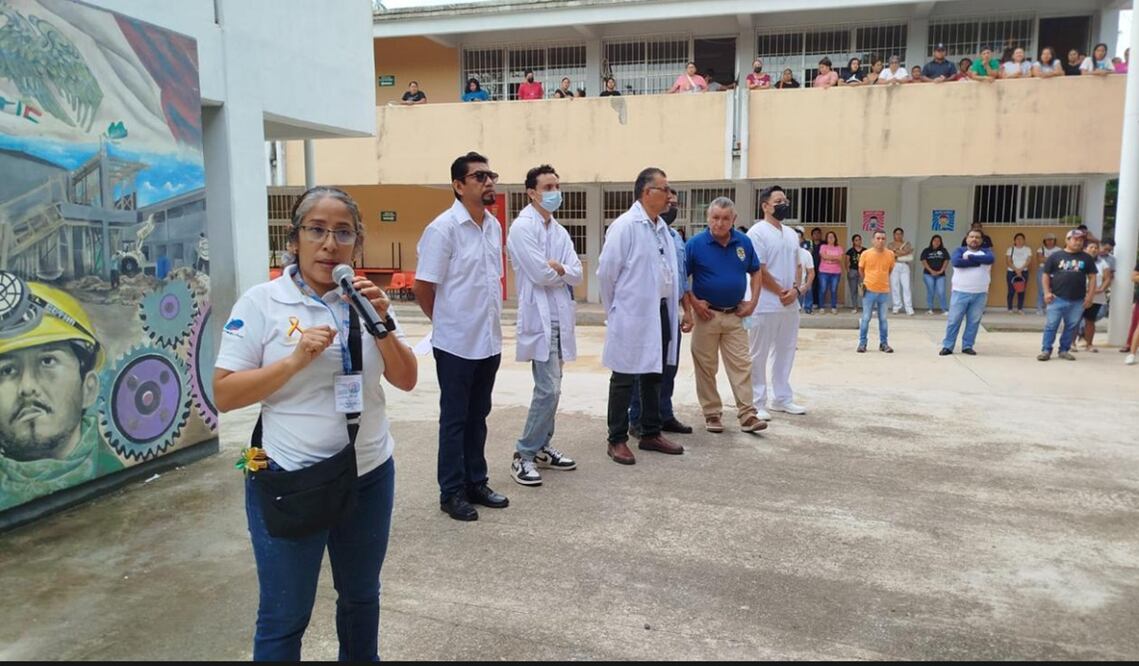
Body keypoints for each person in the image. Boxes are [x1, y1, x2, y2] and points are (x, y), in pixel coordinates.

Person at [215, 186, 417, 661]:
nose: (330, 243)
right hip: (290, 476)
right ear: (295, 239)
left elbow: (406, 379)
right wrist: (294, 360)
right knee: (285, 615)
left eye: (343, 232)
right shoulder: (262, 302)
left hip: (367, 474)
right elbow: (224, 393)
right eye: (317, 230)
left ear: (357, 244)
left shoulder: (370, 302)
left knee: (362, 598)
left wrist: (381, 322)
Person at [413, 152, 509, 521]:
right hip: (455, 344)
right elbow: (424, 287)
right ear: (458, 185)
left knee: (479, 415)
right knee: (455, 419)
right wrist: (446, 322)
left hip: (488, 340)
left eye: (491, 175)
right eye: (480, 177)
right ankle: (451, 492)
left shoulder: (493, 226)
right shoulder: (443, 229)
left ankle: (476, 481)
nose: (489, 183)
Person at [0, 278, 121, 512]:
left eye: (47, 361)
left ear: (88, 388)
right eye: (7, 370)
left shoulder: (109, 469)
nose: (27, 387)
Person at [597, 168, 685, 465]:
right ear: (648, 193)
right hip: (631, 313)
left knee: (654, 374)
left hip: (659, 310)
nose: (670, 195)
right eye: (665, 189)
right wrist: (618, 309)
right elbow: (606, 275)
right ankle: (617, 439)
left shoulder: (661, 227)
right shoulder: (625, 226)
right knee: (623, 376)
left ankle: (650, 432)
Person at [506, 165, 582, 487]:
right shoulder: (522, 228)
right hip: (539, 318)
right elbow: (540, 274)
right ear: (532, 193)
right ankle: (523, 454)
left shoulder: (559, 231)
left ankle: (541, 447)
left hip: (560, 317)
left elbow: (578, 273)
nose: (555, 192)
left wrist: (560, 267)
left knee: (555, 387)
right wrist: (559, 271)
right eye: (548, 186)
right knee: (547, 388)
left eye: (557, 185)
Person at [684, 198, 766, 433]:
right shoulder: (696, 244)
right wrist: (693, 304)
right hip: (706, 316)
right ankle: (712, 413)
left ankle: (748, 414)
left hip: (735, 315)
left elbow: (756, 271)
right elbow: (682, 278)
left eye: (725, 219)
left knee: (742, 365)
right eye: (715, 218)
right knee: (706, 367)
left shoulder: (744, 242)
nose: (719, 223)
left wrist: (753, 303)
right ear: (708, 218)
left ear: (733, 220)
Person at [629, 187, 693, 437]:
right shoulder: (637, 229)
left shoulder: (675, 237)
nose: (672, 206)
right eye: (669, 201)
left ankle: (664, 414)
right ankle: (636, 418)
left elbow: (681, 279)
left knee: (669, 367)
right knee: (642, 367)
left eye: (675, 203)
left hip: (669, 310)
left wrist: (687, 311)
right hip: (645, 310)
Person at [748, 186, 807, 420]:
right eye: (778, 200)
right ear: (765, 206)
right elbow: (759, 269)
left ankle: (782, 398)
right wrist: (781, 291)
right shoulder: (757, 233)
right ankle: (756, 402)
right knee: (758, 354)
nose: (784, 203)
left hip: (790, 305)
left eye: (786, 200)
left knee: (785, 351)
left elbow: (798, 266)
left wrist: (795, 290)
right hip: (763, 304)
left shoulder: (792, 234)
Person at [1038, 229, 1097, 361]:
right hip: (1056, 298)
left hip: (1078, 300)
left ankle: (1064, 350)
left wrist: (1090, 296)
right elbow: (1045, 274)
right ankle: (1046, 350)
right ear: (1067, 240)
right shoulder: (1055, 256)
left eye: (1081, 240)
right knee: (1051, 325)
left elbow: (1092, 278)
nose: (1078, 242)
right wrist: (1047, 292)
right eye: (1075, 239)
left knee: (1071, 326)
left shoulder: (1086, 258)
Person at [938, 229, 994, 356]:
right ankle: (948, 346)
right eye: (972, 236)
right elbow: (957, 262)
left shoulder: (986, 252)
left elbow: (990, 259)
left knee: (973, 321)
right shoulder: (960, 251)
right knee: (954, 320)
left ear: (981, 240)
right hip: (960, 292)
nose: (974, 239)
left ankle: (967, 346)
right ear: (967, 238)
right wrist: (978, 262)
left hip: (980, 293)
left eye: (977, 237)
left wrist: (970, 258)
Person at [858, 230, 895, 353]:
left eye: (883, 238)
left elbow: (890, 270)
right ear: (873, 240)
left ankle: (883, 344)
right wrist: (867, 281)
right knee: (866, 318)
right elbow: (861, 269)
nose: (880, 241)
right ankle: (862, 343)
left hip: (884, 291)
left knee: (883, 319)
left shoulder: (890, 254)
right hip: (869, 290)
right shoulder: (866, 254)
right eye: (878, 238)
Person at [1080, 240, 1112, 352]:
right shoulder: (1079, 261)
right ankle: (1072, 343)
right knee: (1075, 320)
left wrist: (1102, 288)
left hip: (1097, 297)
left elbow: (1108, 278)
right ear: (1085, 249)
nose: (1094, 249)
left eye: (1096, 247)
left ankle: (1089, 344)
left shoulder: (1103, 263)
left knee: (1090, 321)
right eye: (1091, 247)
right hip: (1079, 296)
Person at [888, 227, 915, 316]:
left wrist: (897, 252)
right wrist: (904, 252)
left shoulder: (907, 243)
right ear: (894, 235)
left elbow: (908, 251)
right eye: (896, 234)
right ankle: (896, 306)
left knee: (906, 287)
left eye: (900, 234)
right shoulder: (890, 244)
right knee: (895, 286)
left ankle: (909, 307)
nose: (898, 235)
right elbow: (891, 254)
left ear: (902, 235)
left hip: (905, 265)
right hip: (894, 265)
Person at [920, 234, 950, 314]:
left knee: (941, 291)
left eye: (938, 241)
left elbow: (946, 260)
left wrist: (941, 270)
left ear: (941, 242)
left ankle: (944, 310)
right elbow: (923, 261)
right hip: (928, 274)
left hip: (941, 275)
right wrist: (931, 271)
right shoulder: (926, 250)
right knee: (931, 291)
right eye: (935, 240)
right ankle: (930, 309)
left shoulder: (944, 250)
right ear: (932, 241)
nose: (936, 242)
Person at [1005, 232, 1032, 313]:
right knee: (1011, 291)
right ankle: (1010, 309)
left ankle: (1020, 308)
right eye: (1018, 239)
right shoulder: (1010, 249)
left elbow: (1028, 260)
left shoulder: (1028, 249)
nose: (1019, 241)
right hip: (1011, 272)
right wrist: (1016, 270)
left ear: (1024, 240)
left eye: (1021, 239)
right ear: (1014, 240)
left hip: (1023, 272)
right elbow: (1008, 261)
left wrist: (1020, 270)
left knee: (1021, 290)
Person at [817, 231, 843, 314]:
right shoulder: (823, 246)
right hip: (823, 271)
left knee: (834, 289)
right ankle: (821, 307)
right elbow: (823, 256)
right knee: (823, 289)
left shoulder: (839, 248)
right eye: (829, 237)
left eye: (832, 237)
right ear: (827, 239)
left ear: (835, 238)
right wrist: (834, 257)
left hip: (836, 272)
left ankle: (833, 307)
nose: (831, 238)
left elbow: (840, 258)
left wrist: (829, 258)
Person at [1035, 232, 1061, 314]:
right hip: (1042, 269)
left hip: (1055, 270)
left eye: (1051, 240)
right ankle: (1039, 308)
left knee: (1053, 290)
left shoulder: (1059, 250)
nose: (1049, 241)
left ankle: (1049, 307)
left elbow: (1059, 261)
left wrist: (1046, 258)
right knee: (1042, 289)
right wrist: (1053, 258)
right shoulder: (1040, 249)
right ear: (1044, 241)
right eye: (1048, 240)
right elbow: (1040, 259)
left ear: (1054, 241)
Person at [794, 228, 815, 313]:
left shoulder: (806, 254)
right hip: (786, 288)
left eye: (798, 237)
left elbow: (811, 272)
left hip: (800, 288)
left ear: (802, 239)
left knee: (796, 314)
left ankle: (808, 308)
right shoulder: (782, 252)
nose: (796, 239)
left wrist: (806, 286)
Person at [845, 234, 865, 312]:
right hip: (853, 271)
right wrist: (848, 271)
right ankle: (855, 307)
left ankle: (865, 307)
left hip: (862, 272)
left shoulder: (865, 250)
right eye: (856, 240)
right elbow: (846, 262)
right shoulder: (850, 251)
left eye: (859, 239)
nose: (858, 241)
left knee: (863, 290)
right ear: (853, 241)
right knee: (853, 290)